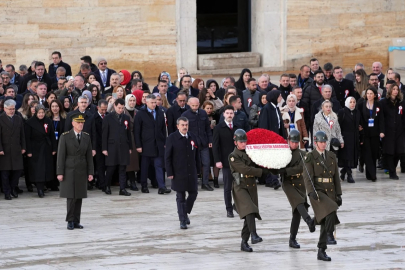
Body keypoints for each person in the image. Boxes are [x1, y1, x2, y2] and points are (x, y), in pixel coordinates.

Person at [303, 131, 342, 261]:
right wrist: (310, 192)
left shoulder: (331, 156)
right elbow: (307, 177)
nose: (323, 144)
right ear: (316, 143)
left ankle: (321, 249)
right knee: (331, 209)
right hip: (318, 191)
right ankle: (330, 235)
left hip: (330, 191)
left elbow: (336, 177)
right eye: (321, 142)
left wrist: (338, 194)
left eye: (325, 142)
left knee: (327, 218)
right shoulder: (310, 157)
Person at [273, 130, 316, 248]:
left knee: (297, 212)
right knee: (299, 202)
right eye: (293, 142)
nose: (295, 144)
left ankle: (292, 239)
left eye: (297, 142)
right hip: (288, 183)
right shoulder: (283, 153)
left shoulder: (303, 154)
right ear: (288, 141)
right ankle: (308, 220)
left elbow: (301, 167)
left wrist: (286, 170)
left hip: (300, 183)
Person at [229, 129, 268, 252]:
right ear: (235, 142)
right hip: (240, 186)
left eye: (245, 141)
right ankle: (254, 235)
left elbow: (256, 164)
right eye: (241, 141)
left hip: (251, 186)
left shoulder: (251, 153)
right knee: (250, 210)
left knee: (248, 214)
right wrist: (261, 172)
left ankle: (244, 242)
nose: (243, 143)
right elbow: (245, 169)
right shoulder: (233, 156)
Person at [57, 112, 94, 230]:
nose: (80, 124)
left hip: (82, 169)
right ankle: (70, 220)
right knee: (71, 197)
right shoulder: (65, 136)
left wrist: (90, 172)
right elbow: (61, 156)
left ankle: (77, 220)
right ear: (73, 123)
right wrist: (60, 172)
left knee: (79, 196)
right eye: (78, 122)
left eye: (82, 122)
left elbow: (89, 156)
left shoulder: (86, 137)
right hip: (69, 169)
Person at [165, 117, 200, 229]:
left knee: (193, 193)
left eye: (186, 125)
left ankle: (184, 212)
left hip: (191, 171)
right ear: (177, 126)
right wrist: (169, 171)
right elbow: (167, 156)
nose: (185, 127)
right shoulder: (172, 138)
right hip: (178, 171)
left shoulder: (192, 136)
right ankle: (182, 220)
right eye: (182, 125)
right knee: (180, 196)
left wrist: (198, 169)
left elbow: (197, 154)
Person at [134, 94, 170, 194]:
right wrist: (138, 145)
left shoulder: (160, 112)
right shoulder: (141, 113)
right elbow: (137, 131)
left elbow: (163, 128)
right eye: (152, 103)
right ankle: (144, 186)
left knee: (159, 166)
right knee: (145, 167)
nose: (154, 104)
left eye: (155, 102)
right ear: (146, 102)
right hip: (146, 145)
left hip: (158, 144)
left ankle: (161, 187)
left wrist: (164, 142)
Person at [213, 105, 240, 217]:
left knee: (240, 186)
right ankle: (229, 208)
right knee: (228, 186)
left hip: (238, 161)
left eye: (231, 113)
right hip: (225, 161)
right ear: (224, 114)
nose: (229, 115)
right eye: (227, 113)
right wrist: (217, 160)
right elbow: (215, 146)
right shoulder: (218, 128)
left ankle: (237, 206)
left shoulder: (238, 127)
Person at [25, 104, 57, 198]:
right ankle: (39, 189)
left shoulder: (48, 121)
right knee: (38, 169)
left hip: (46, 148)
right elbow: (27, 138)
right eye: (39, 113)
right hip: (35, 149)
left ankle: (43, 186)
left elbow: (52, 136)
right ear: (36, 112)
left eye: (43, 112)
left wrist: (54, 148)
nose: (41, 114)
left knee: (46, 168)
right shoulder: (30, 122)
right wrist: (29, 151)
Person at [102, 99, 133, 196]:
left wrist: (130, 147)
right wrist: (104, 148)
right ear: (114, 106)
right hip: (112, 146)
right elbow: (104, 134)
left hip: (123, 146)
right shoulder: (108, 118)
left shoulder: (126, 118)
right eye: (119, 108)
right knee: (111, 168)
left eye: (122, 108)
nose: (120, 110)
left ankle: (122, 189)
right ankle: (107, 186)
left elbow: (128, 134)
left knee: (122, 168)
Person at [182, 97, 213, 191]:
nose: (195, 107)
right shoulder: (185, 115)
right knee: (192, 164)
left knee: (206, 163)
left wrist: (210, 140)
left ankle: (205, 183)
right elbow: (183, 130)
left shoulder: (203, 113)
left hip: (203, 142)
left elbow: (207, 128)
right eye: (193, 105)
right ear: (189, 104)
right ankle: (192, 184)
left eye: (196, 105)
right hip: (192, 143)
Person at [0, 99, 26, 200]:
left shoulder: (18, 118)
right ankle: (7, 192)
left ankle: (12, 189)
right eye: (10, 109)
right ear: (5, 109)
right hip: (5, 150)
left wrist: (23, 147)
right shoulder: (1, 118)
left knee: (17, 171)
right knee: (5, 173)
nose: (12, 111)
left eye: (13, 109)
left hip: (16, 148)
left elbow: (22, 134)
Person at [357, 87, 385, 181]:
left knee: (373, 153)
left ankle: (369, 174)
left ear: (375, 95)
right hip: (365, 133)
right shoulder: (361, 104)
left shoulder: (378, 105)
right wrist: (359, 126)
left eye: (371, 93)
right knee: (367, 153)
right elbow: (358, 116)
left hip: (375, 133)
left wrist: (382, 131)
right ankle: (373, 174)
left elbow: (381, 119)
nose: (369, 95)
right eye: (367, 93)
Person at [379, 84, 405, 180]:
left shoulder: (401, 103)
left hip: (399, 131)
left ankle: (392, 168)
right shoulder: (384, 103)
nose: (395, 91)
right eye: (393, 89)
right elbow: (381, 118)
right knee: (389, 152)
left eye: (397, 89)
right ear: (390, 90)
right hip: (388, 131)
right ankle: (392, 172)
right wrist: (381, 130)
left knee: (399, 152)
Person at [337, 97, 360, 183]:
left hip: (354, 137)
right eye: (351, 102)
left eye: (354, 102)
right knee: (347, 156)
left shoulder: (357, 112)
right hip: (345, 137)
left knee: (351, 156)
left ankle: (343, 171)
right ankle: (349, 174)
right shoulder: (342, 112)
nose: (352, 104)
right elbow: (338, 125)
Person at [46, 99, 66, 191]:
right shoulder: (47, 118)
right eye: (53, 106)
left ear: (60, 107)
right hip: (50, 144)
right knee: (51, 163)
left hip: (61, 143)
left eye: (56, 106)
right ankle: (51, 183)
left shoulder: (65, 118)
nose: (54, 108)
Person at [124, 94, 140, 191]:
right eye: (130, 100)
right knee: (128, 161)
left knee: (134, 161)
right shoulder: (123, 111)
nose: (132, 102)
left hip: (136, 138)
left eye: (134, 100)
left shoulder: (137, 112)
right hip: (126, 138)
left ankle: (132, 180)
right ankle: (130, 181)